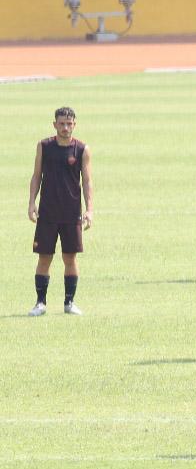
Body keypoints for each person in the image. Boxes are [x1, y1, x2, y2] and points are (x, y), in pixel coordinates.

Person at [27, 106, 93, 317]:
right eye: (61, 123)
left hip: (71, 212)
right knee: (44, 258)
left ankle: (69, 302)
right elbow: (36, 175)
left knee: (70, 258)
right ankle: (40, 302)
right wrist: (31, 202)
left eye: (69, 124)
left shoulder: (82, 149)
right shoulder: (44, 146)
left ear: (74, 124)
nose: (65, 127)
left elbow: (88, 181)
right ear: (54, 124)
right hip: (47, 211)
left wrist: (89, 209)